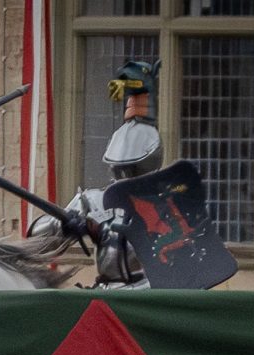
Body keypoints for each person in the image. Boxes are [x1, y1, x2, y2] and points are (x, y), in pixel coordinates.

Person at [30, 59, 164, 290]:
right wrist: (62, 224)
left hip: (152, 300)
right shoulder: (95, 202)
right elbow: (35, 241)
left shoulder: (169, 204)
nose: (125, 176)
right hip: (106, 297)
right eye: (122, 169)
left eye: (132, 168)